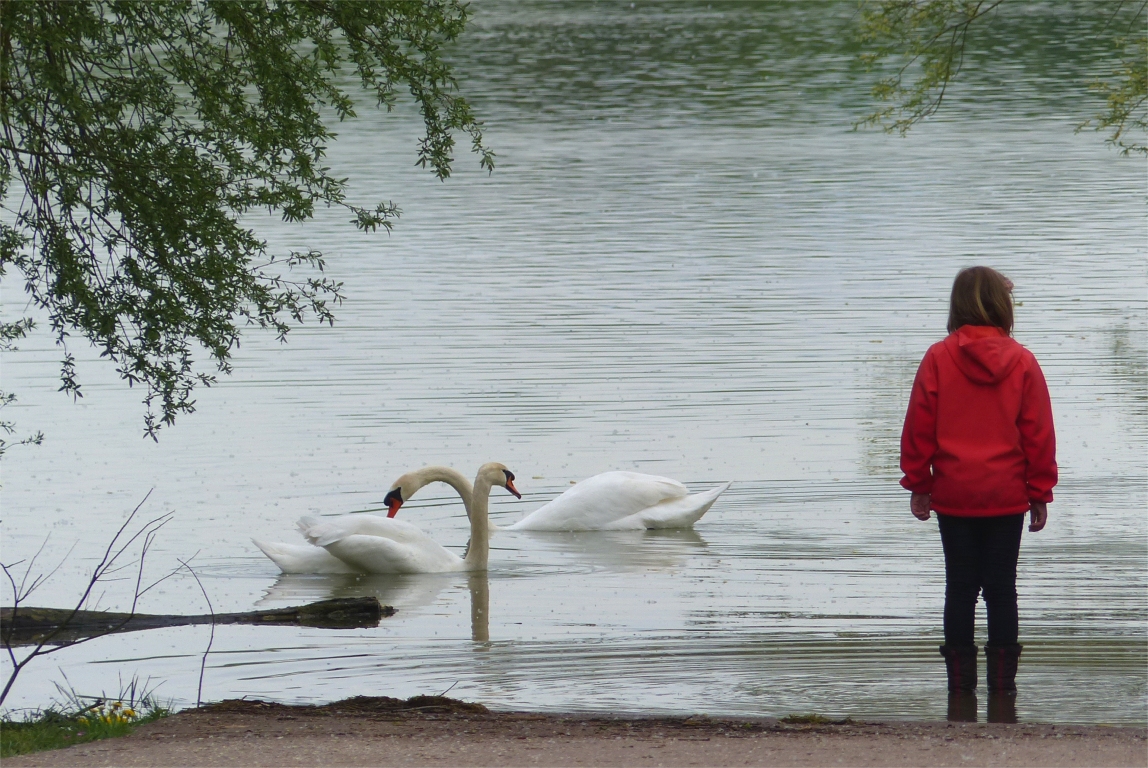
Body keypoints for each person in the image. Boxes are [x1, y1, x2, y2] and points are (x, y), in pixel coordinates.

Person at [899, 266, 1057, 714]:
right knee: (1002, 589)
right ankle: (1004, 694)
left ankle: (959, 694)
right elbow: (1038, 433)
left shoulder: (937, 357)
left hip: (955, 494)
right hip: (1006, 495)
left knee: (960, 587)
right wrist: (1040, 490)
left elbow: (919, 428)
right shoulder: (1023, 360)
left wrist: (918, 483)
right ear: (1002, 306)